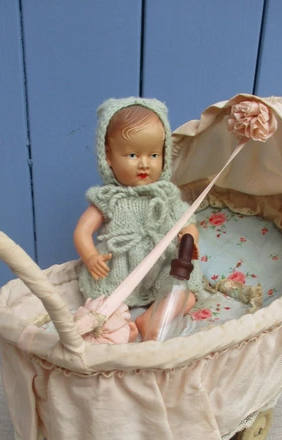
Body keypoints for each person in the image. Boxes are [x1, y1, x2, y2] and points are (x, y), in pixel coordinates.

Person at [73, 97, 202, 340]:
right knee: (103, 304)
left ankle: (153, 318)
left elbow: (188, 223)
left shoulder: (165, 196)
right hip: (121, 269)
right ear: (108, 157)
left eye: (153, 155)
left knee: (187, 292)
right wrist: (90, 257)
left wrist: (189, 240)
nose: (144, 164)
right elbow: (82, 231)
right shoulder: (110, 198)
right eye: (132, 155)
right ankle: (121, 328)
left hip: (161, 265)